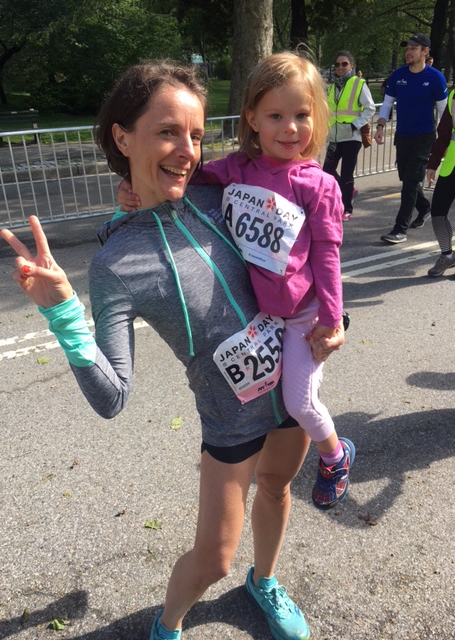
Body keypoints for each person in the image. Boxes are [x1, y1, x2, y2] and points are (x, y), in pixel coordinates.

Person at [0, 61, 345, 640]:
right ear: (123, 137)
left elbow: (312, 249)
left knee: (278, 488)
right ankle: (168, 624)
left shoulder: (224, 193)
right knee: (213, 559)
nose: (187, 151)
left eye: (196, 135)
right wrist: (62, 312)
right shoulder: (116, 262)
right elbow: (111, 398)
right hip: (231, 421)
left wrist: (333, 323)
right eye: (166, 132)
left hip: (291, 389)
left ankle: (264, 580)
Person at [120, 52, 355, 513]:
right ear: (252, 118)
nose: (290, 128)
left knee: (300, 404)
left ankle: (335, 456)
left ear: (317, 118)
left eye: (302, 115)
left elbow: (328, 255)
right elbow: (183, 178)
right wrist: (132, 189)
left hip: (303, 318)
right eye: (276, 116)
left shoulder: (318, 185)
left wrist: (331, 319)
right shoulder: (238, 168)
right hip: (259, 314)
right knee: (262, 403)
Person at [375, 33, 448, 244]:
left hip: (424, 137)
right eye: (407, 48)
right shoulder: (398, 76)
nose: (408, 52)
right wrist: (380, 126)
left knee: (410, 183)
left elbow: (443, 112)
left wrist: (443, 140)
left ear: (425, 52)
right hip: (403, 136)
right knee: (407, 178)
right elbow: (387, 103)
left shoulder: (435, 78)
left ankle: (400, 229)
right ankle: (425, 208)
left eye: (413, 48)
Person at [322, 50, 375, 221]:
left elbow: (370, 108)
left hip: (351, 137)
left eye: (344, 64)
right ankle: (348, 191)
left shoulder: (359, 83)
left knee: (346, 174)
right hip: (334, 137)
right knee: (327, 170)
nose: (340, 67)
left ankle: (347, 209)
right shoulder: (332, 86)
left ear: (351, 65)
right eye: (337, 64)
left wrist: (355, 125)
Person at [425, 88, 455, 277]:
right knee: (437, 213)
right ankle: (447, 255)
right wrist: (433, 163)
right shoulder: (453, 95)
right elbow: (444, 133)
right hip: (451, 165)